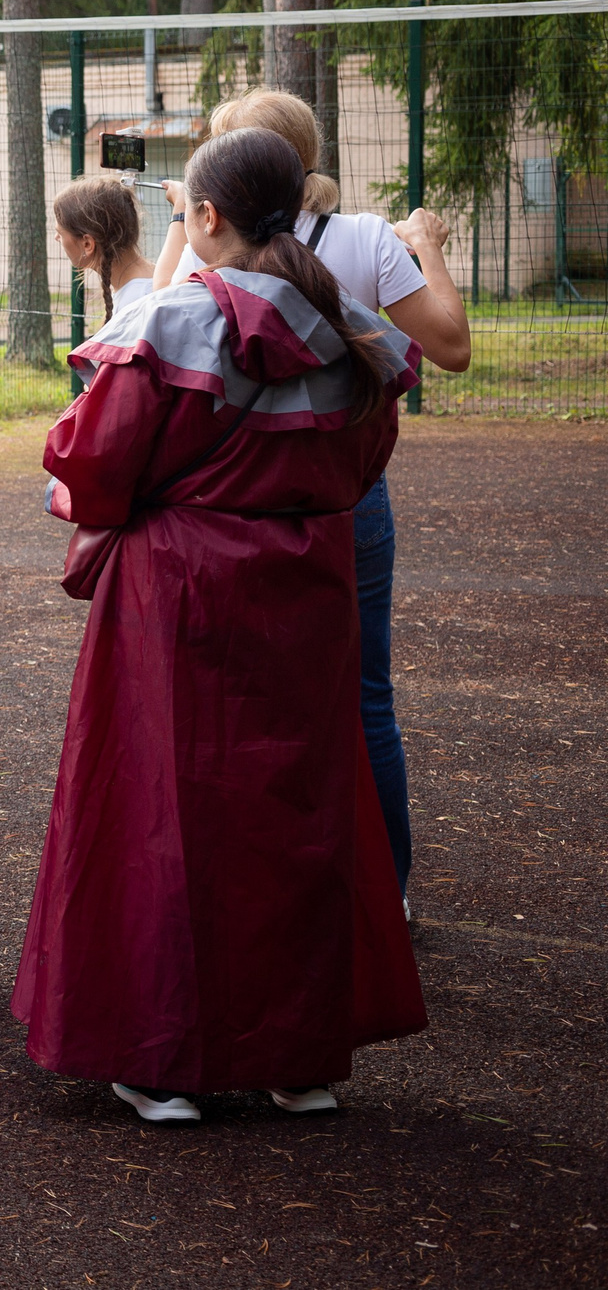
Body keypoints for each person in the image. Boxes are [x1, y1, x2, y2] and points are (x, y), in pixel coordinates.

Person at [15, 126, 427, 1125]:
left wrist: (95, 510)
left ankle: (158, 1061)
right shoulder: (354, 329)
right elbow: (364, 459)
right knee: (294, 812)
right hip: (305, 590)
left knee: (165, 811)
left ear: (201, 218)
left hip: (177, 595)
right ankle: (297, 1062)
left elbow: (89, 460)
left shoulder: (169, 321)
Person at [156, 89, 471, 910]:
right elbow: (450, 345)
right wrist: (427, 245)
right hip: (344, 489)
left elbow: (150, 329)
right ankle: (382, 892)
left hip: (234, 498)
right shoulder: (366, 237)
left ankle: (262, 881)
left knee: (245, 693)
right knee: (365, 692)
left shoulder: (211, 239)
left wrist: (178, 226)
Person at [54, 173, 156, 325]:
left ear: (87, 244)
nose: (56, 237)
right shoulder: (150, 281)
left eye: (60, 233)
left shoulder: (132, 306)